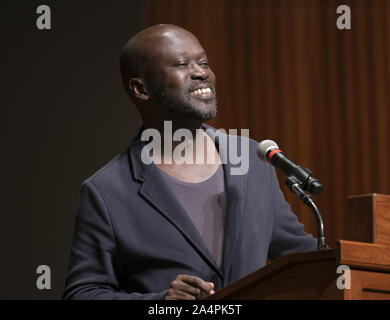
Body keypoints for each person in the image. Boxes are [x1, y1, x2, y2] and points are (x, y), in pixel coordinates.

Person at [63, 24, 317, 300]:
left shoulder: (251, 160)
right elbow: (82, 294)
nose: (201, 72)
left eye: (204, 62)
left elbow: (300, 256)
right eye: (183, 64)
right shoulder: (106, 192)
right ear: (140, 88)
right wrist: (160, 302)